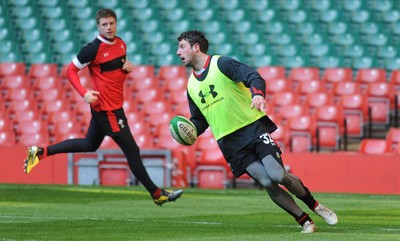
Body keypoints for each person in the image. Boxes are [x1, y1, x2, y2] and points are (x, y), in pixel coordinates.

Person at [176, 30, 338, 233]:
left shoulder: (222, 64)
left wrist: (257, 95)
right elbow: (199, 120)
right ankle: (304, 221)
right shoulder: (191, 85)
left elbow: (253, 76)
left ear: (195, 47)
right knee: (266, 182)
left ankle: (315, 206)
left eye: (182, 46)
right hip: (229, 142)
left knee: (278, 175)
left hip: (252, 128)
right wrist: (189, 132)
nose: (178, 52)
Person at [23, 9, 183, 206]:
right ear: (98, 27)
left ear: (116, 24)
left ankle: (40, 152)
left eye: (111, 23)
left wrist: (125, 71)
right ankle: (157, 194)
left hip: (113, 107)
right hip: (107, 110)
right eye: (104, 24)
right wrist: (84, 93)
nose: (109, 27)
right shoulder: (92, 49)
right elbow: (70, 71)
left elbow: (114, 76)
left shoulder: (121, 43)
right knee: (133, 151)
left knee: (89, 145)